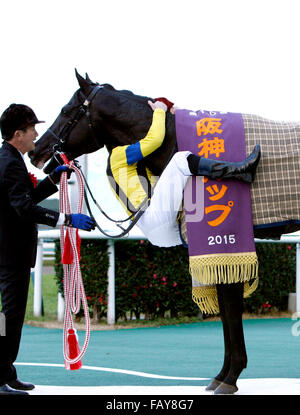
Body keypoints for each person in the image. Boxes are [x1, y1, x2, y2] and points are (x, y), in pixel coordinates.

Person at [0, 104, 96, 395]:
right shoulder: (9, 162)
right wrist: (67, 219)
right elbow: (23, 207)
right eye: (31, 130)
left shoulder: (10, 159)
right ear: (19, 133)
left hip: (11, 254)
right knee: (9, 316)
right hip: (10, 254)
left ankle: (7, 373)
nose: (36, 135)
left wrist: (55, 177)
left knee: (10, 317)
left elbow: (26, 196)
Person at [107, 100, 260, 247]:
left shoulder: (133, 166)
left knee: (195, 181)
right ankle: (239, 171)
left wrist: (178, 118)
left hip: (160, 231)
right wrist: (160, 110)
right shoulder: (117, 155)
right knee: (180, 160)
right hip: (152, 218)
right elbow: (154, 140)